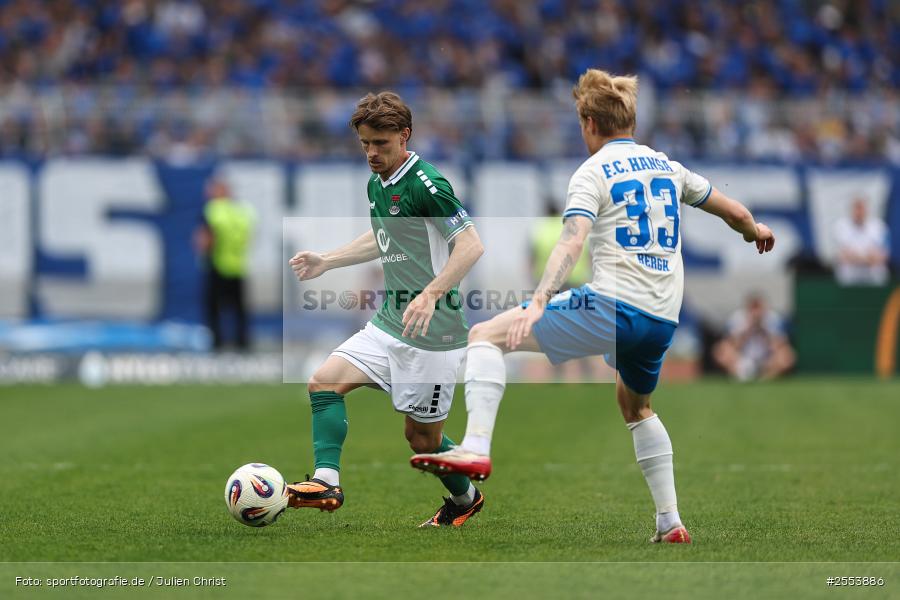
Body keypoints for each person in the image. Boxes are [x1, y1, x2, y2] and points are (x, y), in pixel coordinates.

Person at [410, 69, 775, 543]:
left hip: (614, 305)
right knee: (636, 404)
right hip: (662, 318)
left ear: (588, 122)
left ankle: (475, 446)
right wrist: (756, 232)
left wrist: (537, 302)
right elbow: (736, 213)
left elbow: (572, 240)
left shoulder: (593, 170)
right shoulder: (668, 166)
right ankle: (670, 522)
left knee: (484, 336)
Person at [286, 91, 486, 528]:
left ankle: (465, 496)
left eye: (381, 143)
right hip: (390, 323)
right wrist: (328, 260)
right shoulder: (378, 182)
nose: (372, 153)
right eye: (365, 145)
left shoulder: (427, 184)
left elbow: (470, 245)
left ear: (405, 136)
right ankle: (325, 482)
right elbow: (383, 238)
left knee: (421, 440)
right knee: (323, 383)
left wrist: (431, 293)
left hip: (435, 333)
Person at [194, 180, 255, 351]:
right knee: (239, 309)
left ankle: (217, 345)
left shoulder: (213, 210)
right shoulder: (241, 211)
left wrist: (202, 250)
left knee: (213, 308)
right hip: (238, 265)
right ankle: (243, 345)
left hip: (217, 264)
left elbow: (206, 237)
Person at [713, 295, 795, 381]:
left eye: (758, 308)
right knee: (721, 350)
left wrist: (763, 330)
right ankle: (741, 377)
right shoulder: (737, 318)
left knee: (787, 355)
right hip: (743, 358)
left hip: (767, 359)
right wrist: (748, 329)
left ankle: (766, 379)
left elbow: (777, 346)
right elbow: (733, 344)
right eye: (753, 308)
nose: (756, 313)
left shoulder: (773, 318)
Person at [833, 198, 890, 286]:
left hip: (871, 267)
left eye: (862, 208)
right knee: (844, 270)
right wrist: (865, 258)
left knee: (879, 271)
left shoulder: (879, 226)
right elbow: (842, 255)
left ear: (867, 209)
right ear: (851, 210)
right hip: (852, 268)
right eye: (856, 208)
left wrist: (863, 258)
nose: (859, 212)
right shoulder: (841, 226)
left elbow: (883, 255)